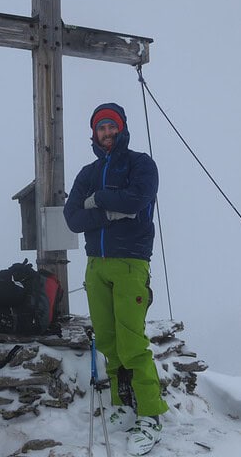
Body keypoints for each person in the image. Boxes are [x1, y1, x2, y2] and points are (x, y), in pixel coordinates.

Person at [64, 103, 168, 456]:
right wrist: (114, 211)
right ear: (93, 134)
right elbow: (73, 218)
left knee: (132, 342)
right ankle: (123, 402)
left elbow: (139, 199)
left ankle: (151, 414)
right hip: (97, 266)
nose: (106, 133)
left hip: (130, 263)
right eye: (100, 128)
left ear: (121, 129)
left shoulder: (141, 164)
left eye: (111, 127)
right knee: (108, 340)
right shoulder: (87, 172)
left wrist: (99, 203)